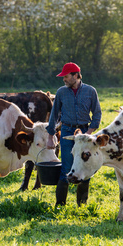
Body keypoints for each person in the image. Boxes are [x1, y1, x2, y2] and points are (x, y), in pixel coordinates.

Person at [46, 62, 102, 206]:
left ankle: (82, 205)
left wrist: (88, 133)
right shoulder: (61, 92)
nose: (63, 79)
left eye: (66, 76)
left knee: (85, 167)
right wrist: (50, 137)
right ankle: (60, 205)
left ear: (75, 76)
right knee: (66, 167)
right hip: (66, 132)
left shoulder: (90, 91)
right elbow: (54, 115)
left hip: (85, 132)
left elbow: (97, 114)